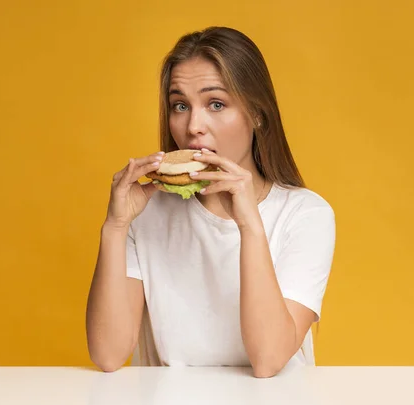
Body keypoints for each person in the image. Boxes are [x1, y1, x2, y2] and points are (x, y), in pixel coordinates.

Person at [86, 26, 336, 378]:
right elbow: (108, 355)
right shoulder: (145, 212)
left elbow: (267, 360)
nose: (193, 126)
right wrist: (115, 227)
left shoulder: (306, 214)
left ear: (257, 114)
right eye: (180, 105)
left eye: (216, 104)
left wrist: (250, 226)